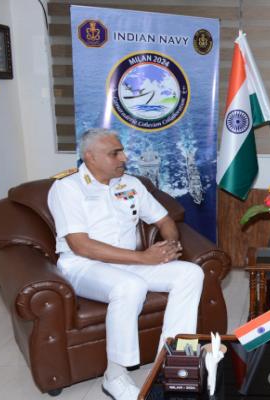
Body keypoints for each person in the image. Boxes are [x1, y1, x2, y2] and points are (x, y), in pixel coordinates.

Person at [47, 128, 204, 400]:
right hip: (83, 265)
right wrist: (144, 258)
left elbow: (165, 220)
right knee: (130, 287)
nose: (124, 158)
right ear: (90, 157)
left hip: (127, 262)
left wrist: (170, 245)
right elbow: (81, 245)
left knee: (191, 273)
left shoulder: (130, 184)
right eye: (115, 153)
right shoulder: (67, 188)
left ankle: (173, 360)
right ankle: (115, 376)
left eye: (122, 151)